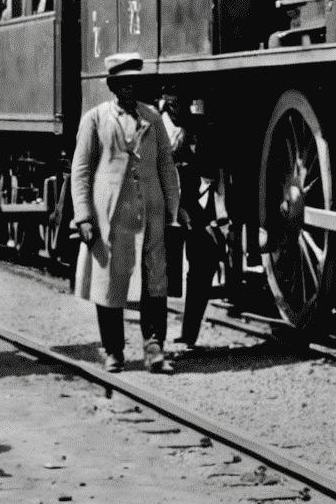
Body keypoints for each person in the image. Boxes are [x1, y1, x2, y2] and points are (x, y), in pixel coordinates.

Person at [72, 53, 180, 373]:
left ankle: (154, 346)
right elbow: (81, 170)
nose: (131, 88)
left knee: (154, 277)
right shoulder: (95, 119)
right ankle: (113, 350)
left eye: (136, 82)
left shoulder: (153, 119)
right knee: (111, 279)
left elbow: (166, 166)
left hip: (150, 208)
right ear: (113, 86)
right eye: (124, 83)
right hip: (111, 211)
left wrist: (174, 211)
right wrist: (83, 216)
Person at [160, 91, 227, 350]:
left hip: (202, 210)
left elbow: (216, 176)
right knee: (167, 273)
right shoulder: (166, 136)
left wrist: (219, 217)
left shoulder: (205, 138)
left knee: (200, 272)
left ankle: (189, 334)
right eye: (172, 105)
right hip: (177, 209)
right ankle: (159, 336)